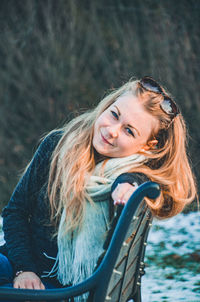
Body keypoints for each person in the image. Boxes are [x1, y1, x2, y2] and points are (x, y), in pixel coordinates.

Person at [0, 76, 197, 297]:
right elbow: (15, 213)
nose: (112, 130)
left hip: (63, 289)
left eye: (129, 131)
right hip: (23, 266)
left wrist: (129, 184)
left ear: (147, 147)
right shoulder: (57, 146)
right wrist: (24, 269)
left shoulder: (132, 178)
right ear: (107, 105)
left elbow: (143, 181)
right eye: (114, 114)